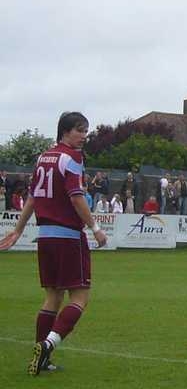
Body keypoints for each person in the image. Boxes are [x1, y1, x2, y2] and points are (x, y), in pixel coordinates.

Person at [0, 112, 108, 375]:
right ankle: (48, 345)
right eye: (80, 130)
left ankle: (40, 358)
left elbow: (34, 197)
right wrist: (95, 228)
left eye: (86, 131)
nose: (84, 136)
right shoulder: (72, 158)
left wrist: (18, 229)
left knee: (52, 296)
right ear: (65, 131)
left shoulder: (43, 157)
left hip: (45, 237)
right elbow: (76, 197)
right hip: (68, 237)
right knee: (80, 297)